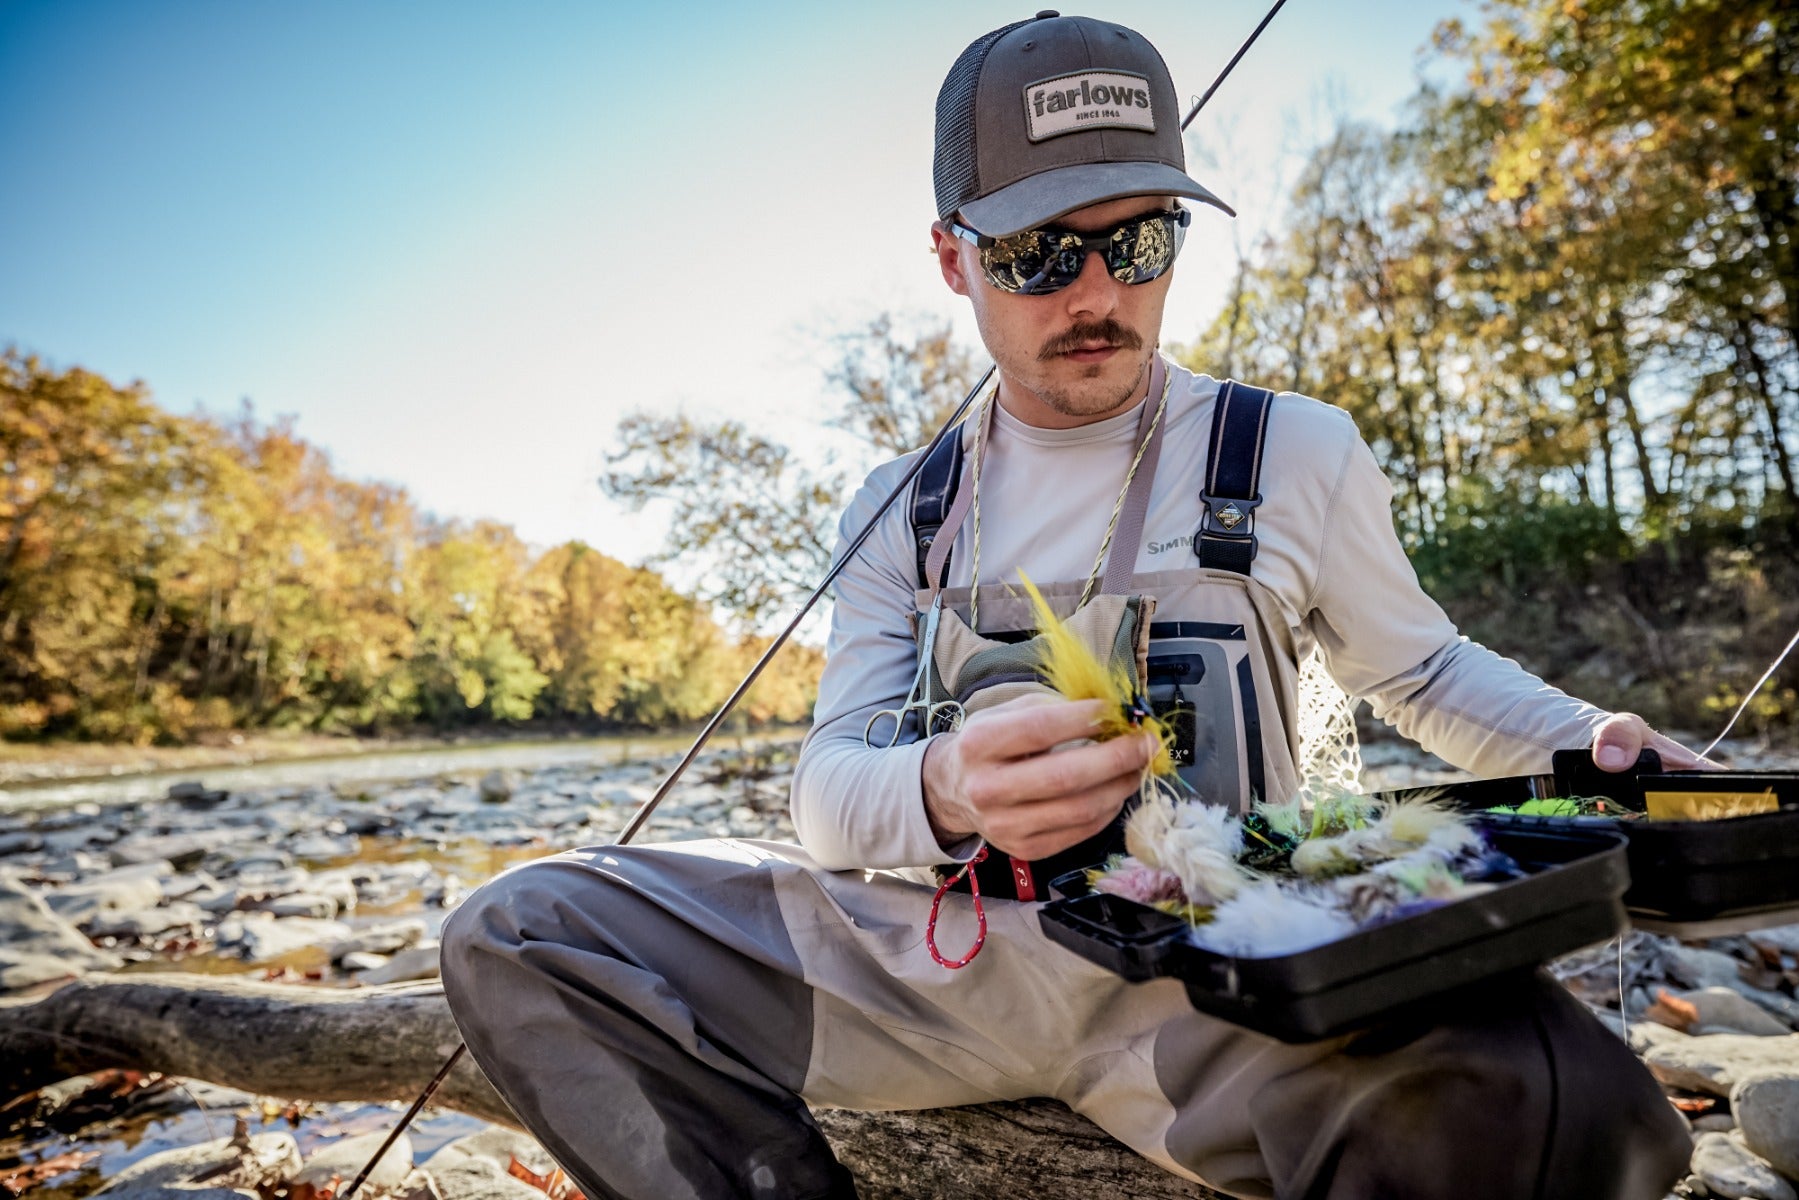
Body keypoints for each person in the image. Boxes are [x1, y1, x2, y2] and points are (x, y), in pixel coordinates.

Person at [442, 13, 1698, 1199]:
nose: (1093, 293)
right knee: (519, 928)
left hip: (1226, 979)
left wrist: (1587, 748)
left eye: (1137, 242)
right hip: (933, 973)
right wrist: (946, 789)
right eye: (1036, 254)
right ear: (951, 258)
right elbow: (825, 798)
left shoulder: (1297, 452)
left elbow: (1417, 675)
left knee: (1550, 1089)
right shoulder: (899, 506)